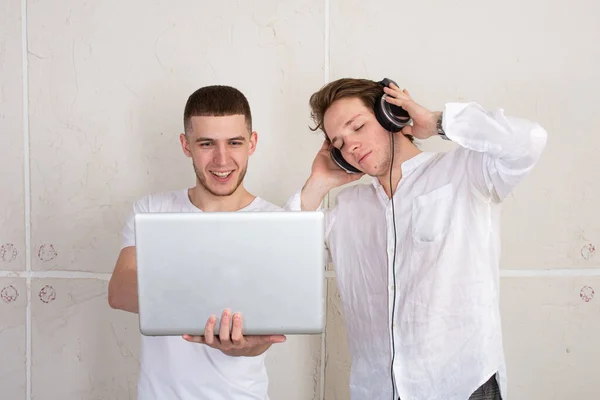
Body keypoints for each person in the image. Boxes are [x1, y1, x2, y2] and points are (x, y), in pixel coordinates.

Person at [285, 78, 547, 400]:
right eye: (338, 143)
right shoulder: (346, 210)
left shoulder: (464, 173)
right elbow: (284, 256)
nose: (350, 146)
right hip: (377, 391)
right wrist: (317, 183)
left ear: (390, 114)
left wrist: (437, 122)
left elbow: (529, 140)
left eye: (357, 127)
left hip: (462, 386)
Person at [108, 85, 286, 400]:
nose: (221, 160)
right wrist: (222, 294)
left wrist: (239, 345)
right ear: (186, 145)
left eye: (234, 142)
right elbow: (121, 292)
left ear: (252, 143)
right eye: (207, 143)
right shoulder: (151, 211)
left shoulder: (274, 221)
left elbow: (261, 338)